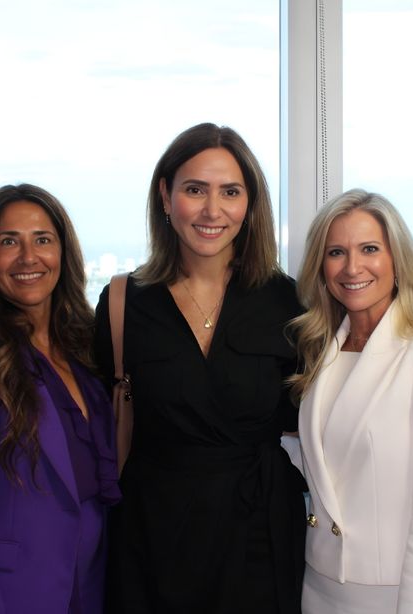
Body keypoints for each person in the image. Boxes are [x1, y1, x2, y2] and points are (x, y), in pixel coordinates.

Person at [94, 122, 306, 614]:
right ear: (166, 197)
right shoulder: (124, 303)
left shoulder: (287, 300)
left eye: (230, 192)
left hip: (259, 534)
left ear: (249, 204)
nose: (213, 210)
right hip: (152, 537)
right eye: (195, 190)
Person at [289, 189, 413, 614]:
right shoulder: (324, 355)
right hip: (319, 589)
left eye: (370, 249)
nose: (352, 267)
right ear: (321, 268)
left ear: (398, 259)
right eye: (336, 252)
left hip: (401, 596)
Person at [0, 184, 119, 614]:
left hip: (93, 584)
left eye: (43, 240)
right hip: (13, 592)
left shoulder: (88, 347)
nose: (28, 257)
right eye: (9, 241)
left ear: (63, 253)